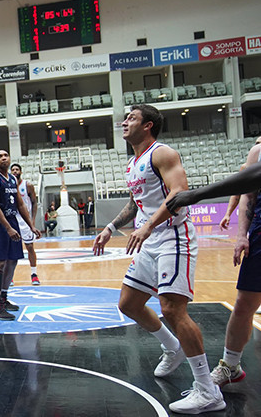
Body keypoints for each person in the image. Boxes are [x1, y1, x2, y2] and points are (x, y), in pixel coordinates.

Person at [92, 104, 224, 414]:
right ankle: (172, 347)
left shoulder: (163, 153)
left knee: (173, 308)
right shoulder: (133, 163)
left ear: (148, 125)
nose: (124, 122)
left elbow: (179, 192)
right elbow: (135, 204)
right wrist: (110, 228)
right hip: (150, 239)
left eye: (132, 118)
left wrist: (149, 225)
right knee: (128, 304)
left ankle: (208, 391)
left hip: (173, 237)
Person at [166, 138, 261, 385]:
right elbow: (248, 193)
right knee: (245, 303)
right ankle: (230, 366)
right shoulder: (257, 152)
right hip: (260, 231)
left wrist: (198, 194)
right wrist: (242, 234)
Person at [0, 152, 41, 321]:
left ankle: (4, 297)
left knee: (12, 260)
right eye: (0, 156)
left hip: (12, 219)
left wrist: (31, 225)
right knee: (0, 262)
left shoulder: (12, 179)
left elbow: (20, 204)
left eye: (6, 155)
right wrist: (8, 228)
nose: (4, 158)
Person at [10, 163, 41, 285]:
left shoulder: (27, 185)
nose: (15, 171)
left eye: (17, 169)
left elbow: (34, 203)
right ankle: (10, 276)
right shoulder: (8, 186)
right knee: (12, 250)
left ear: (21, 172)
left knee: (30, 247)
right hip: (13, 220)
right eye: (13, 170)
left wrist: (32, 221)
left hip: (25, 221)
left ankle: (34, 274)